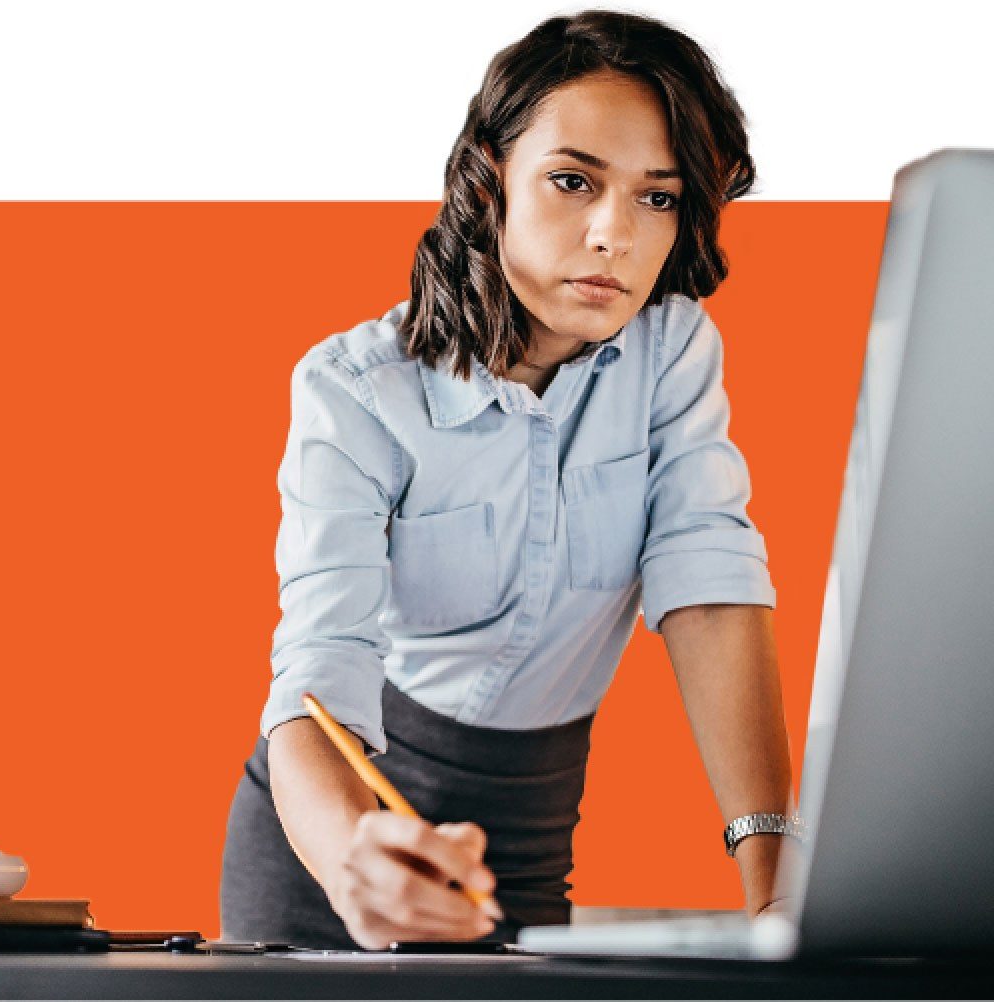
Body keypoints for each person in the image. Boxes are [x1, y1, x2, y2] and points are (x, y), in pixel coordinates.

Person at [219, 9, 797, 950]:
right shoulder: (356, 393)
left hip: (526, 841)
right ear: (489, 179)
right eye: (573, 181)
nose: (615, 234)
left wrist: (772, 875)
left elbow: (709, 583)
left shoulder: (672, 349)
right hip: (338, 842)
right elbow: (319, 668)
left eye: (659, 197)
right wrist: (353, 859)